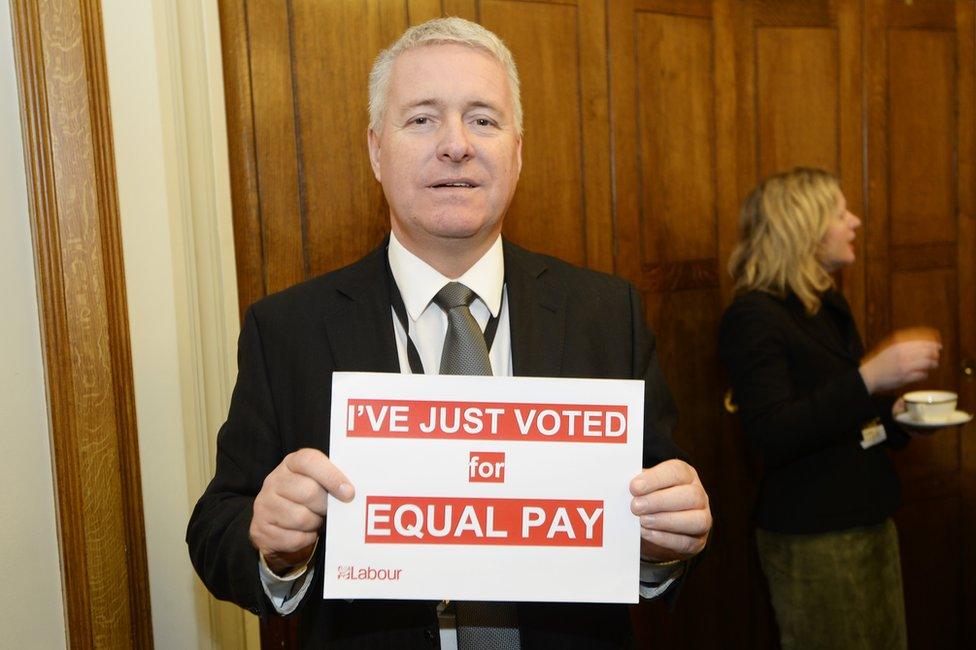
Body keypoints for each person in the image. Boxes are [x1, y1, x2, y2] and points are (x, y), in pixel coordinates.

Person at [188, 17, 711, 649]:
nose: (456, 145)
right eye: (422, 119)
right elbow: (216, 526)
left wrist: (664, 542)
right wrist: (269, 544)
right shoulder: (287, 328)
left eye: (483, 119)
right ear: (376, 149)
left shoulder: (607, 313)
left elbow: (656, 520)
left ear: (517, 151)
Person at [719, 167, 942, 650]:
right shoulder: (753, 316)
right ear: (805, 226)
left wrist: (897, 419)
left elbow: (848, 416)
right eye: (840, 213)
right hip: (813, 536)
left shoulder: (826, 304)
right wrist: (870, 377)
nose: (855, 221)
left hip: (870, 518)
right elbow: (771, 432)